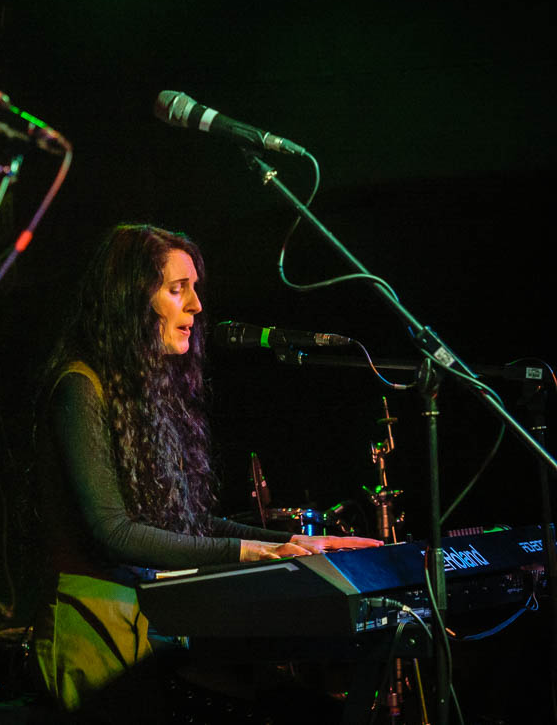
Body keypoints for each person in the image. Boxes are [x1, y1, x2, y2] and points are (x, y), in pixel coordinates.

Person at [32, 223, 382, 718]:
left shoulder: (145, 394)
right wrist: (250, 552)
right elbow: (113, 533)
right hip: (95, 624)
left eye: (195, 289)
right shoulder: (80, 387)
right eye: (178, 290)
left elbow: (188, 527)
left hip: (151, 617)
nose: (196, 305)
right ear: (130, 300)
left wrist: (291, 547)